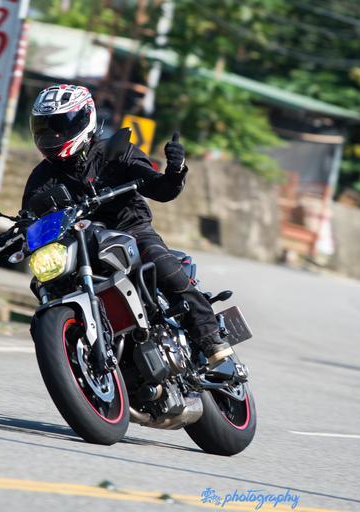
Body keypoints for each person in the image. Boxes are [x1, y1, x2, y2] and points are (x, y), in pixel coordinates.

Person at [21, 84, 232, 365]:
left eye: (59, 126)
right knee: (44, 284)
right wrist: (15, 233)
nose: (52, 135)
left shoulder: (115, 151)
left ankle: (210, 338)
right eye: (44, 127)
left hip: (129, 230)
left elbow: (160, 189)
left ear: (84, 119)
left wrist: (175, 170)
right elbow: (29, 216)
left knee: (161, 264)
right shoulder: (42, 176)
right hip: (78, 245)